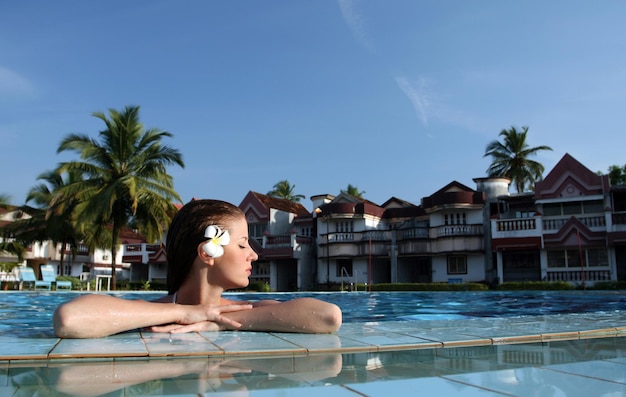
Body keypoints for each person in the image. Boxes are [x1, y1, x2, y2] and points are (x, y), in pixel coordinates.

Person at [53, 199, 342, 338]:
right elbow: (69, 318)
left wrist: (215, 320)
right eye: (242, 245)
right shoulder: (151, 311)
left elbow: (328, 316)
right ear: (207, 253)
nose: (253, 255)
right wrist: (185, 313)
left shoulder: (245, 310)